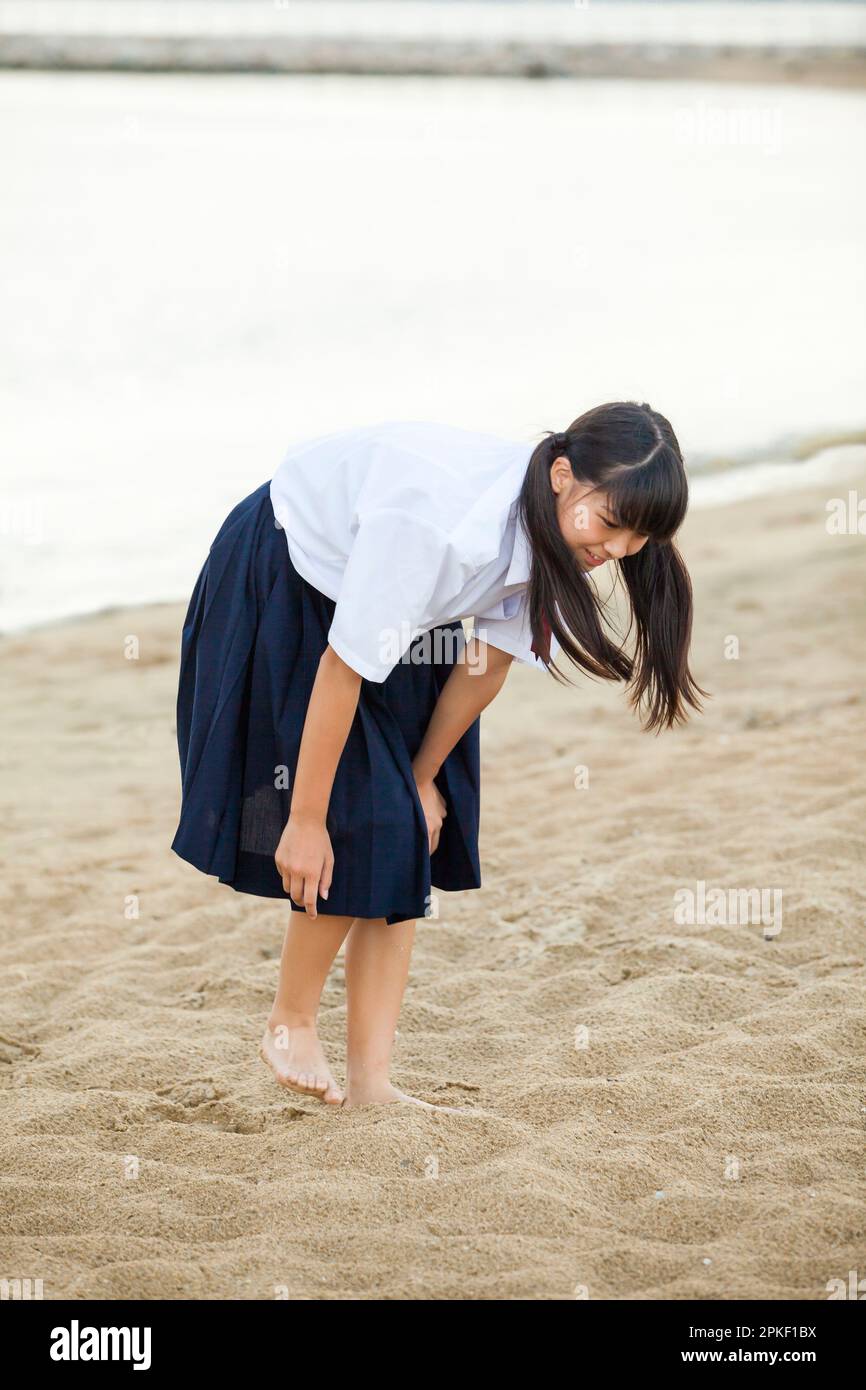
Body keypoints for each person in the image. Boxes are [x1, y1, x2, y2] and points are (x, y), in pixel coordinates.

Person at [171, 402, 704, 1109]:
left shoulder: (554, 537)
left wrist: (421, 779)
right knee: (367, 820)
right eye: (611, 524)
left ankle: (372, 1085)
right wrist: (304, 819)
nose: (620, 551)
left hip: (403, 608)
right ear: (562, 475)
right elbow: (342, 667)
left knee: (408, 830)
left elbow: (485, 665)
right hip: (289, 569)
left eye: (639, 538)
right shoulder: (439, 527)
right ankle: (290, 1020)